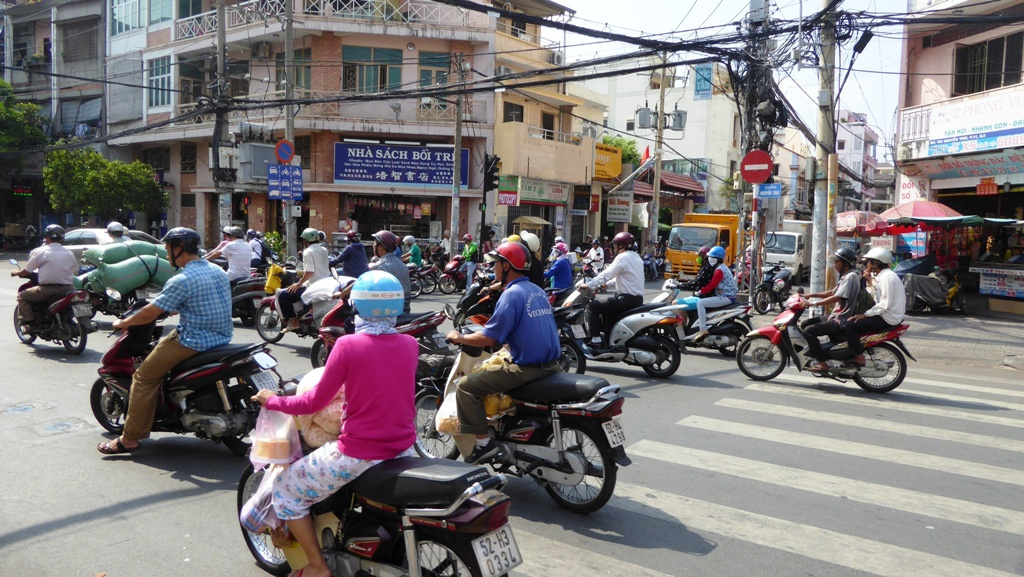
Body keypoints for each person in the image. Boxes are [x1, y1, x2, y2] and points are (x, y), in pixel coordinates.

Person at [251, 270, 417, 577]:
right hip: (404, 448)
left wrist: (271, 401)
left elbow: (312, 402)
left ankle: (317, 567)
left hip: (359, 452)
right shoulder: (409, 344)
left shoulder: (348, 346)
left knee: (286, 489)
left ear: (356, 307)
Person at [97, 228, 232, 455]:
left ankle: (129, 439)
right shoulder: (217, 270)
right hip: (222, 337)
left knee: (143, 376)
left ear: (178, 249)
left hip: (194, 341)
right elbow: (202, 301)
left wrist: (124, 323)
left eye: (168, 249)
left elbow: (149, 313)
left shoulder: (182, 278)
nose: (167, 254)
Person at [445, 242, 560, 464]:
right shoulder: (536, 290)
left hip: (527, 369)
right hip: (552, 363)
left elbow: (488, 337)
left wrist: (458, 337)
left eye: (497, 263)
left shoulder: (512, 294)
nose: (494, 267)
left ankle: (484, 444)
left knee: (466, 387)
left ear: (507, 266)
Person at [801, 247, 861, 371]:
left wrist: (814, 304)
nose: (834, 265)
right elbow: (831, 292)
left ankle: (822, 363)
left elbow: (836, 297)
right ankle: (816, 351)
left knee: (809, 331)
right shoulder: (846, 277)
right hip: (835, 316)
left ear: (846, 263)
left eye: (837, 262)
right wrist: (810, 295)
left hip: (841, 319)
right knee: (805, 323)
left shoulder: (851, 277)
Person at [582, 232, 645, 349]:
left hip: (625, 299)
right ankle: (608, 340)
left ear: (621, 246)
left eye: (615, 245)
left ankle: (595, 340)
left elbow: (607, 273)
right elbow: (623, 278)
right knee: (607, 310)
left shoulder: (623, 257)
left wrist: (589, 285)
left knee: (592, 307)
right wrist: (606, 285)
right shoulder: (636, 257)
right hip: (636, 299)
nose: (614, 247)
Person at [846, 247, 906, 366]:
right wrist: (869, 282)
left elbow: (884, 304)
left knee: (850, 325)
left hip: (888, 318)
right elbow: (876, 298)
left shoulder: (887, 277)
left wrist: (864, 315)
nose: (867, 264)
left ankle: (858, 357)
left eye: (869, 261)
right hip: (886, 314)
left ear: (876, 263)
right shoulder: (882, 276)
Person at [11, 224, 78, 331]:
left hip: (47, 290)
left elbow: (28, 270)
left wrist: (17, 272)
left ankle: (30, 324)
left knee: (22, 297)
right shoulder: (69, 253)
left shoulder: (41, 251)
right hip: (68, 289)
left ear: (47, 238)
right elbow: (75, 270)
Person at [280, 228, 332, 332]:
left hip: (313, 286)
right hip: (326, 284)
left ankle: (294, 322)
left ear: (305, 240)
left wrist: (298, 284)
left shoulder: (308, 252)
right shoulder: (324, 250)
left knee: (283, 296)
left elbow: (310, 272)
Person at [689, 245, 738, 342]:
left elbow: (712, 284)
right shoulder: (721, 267)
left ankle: (703, 329)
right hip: (725, 295)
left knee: (700, 303)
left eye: (711, 257)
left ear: (716, 259)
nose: (709, 258)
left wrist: (700, 292)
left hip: (726, 297)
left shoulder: (719, 270)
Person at [369, 230, 411, 314]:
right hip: (405, 308)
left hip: (389, 310)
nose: (373, 245)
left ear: (380, 247)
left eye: (374, 243)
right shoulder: (401, 264)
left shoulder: (379, 266)